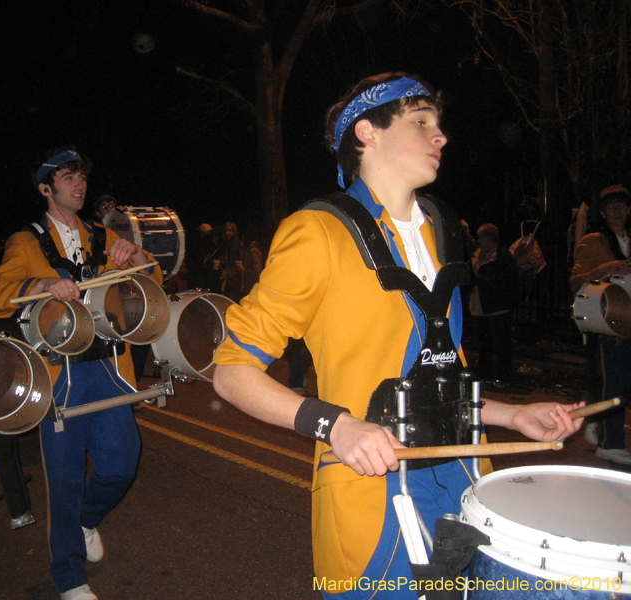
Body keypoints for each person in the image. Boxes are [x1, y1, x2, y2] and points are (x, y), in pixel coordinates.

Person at [212, 73, 583, 597]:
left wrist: (511, 415)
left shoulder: (442, 228)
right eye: (421, 122)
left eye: (438, 124)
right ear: (368, 132)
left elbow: (440, 371)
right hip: (373, 497)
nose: (441, 136)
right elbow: (231, 373)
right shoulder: (317, 232)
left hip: (464, 483)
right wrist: (336, 426)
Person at [0, 147, 162, 600]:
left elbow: (154, 282)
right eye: (68, 178)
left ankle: (85, 520)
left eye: (81, 177)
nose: (79, 185)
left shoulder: (105, 237)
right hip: (60, 375)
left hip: (109, 368)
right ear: (46, 188)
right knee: (63, 479)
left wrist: (136, 252)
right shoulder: (26, 242)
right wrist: (40, 285)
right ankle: (70, 577)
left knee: (122, 465)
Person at [570, 184, 631, 465]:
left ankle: (596, 419)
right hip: (608, 323)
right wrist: (606, 269)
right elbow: (575, 281)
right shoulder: (593, 241)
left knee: (619, 383)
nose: (618, 212)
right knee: (614, 383)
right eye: (611, 207)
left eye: (622, 206)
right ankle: (610, 442)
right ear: (603, 213)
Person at [468, 223, 519, 388]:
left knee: (501, 343)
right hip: (481, 306)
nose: (478, 241)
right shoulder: (479, 255)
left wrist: (480, 280)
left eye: (480, 237)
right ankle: (485, 374)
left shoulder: (503, 257)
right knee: (484, 342)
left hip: (498, 307)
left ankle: (502, 377)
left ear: (488, 238)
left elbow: (503, 282)